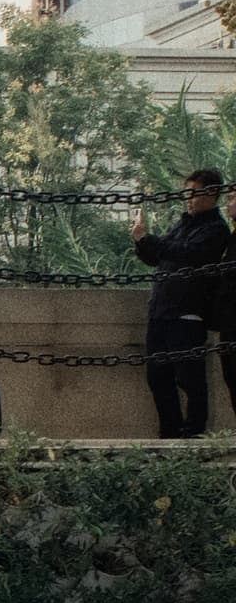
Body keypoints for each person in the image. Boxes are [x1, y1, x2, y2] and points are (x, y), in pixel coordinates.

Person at [132, 169, 232, 439]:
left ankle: (194, 431)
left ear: (211, 193)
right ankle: (171, 430)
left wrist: (149, 240)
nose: (188, 200)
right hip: (161, 311)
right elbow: (161, 255)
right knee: (158, 376)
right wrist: (142, 241)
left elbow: (187, 255)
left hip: (188, 314)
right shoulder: (183, 224)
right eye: (186, 193)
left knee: (189, 378)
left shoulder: (216, 229)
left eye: (193, 193)